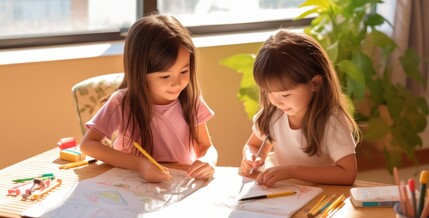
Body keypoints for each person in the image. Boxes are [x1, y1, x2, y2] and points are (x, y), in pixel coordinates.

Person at [80, 14, 218, 183]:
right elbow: (88, 145)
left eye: (184, 71)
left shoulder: (190, 99)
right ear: (141, 73)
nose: (177, 83)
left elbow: (205, 146)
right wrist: (140, 165)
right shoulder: (122, 102)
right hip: (132, 184)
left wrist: (208, 160)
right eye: (165, 76)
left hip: (177, 183)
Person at [240, 29, 361, 187]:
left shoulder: (332, 121)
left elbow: (347, 173)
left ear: (315, 84)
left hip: (321, 200)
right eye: (269, 92)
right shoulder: (273, 113)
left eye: (285, 95)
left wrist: (292, 171)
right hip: (283, 197)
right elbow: (254, 145)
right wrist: (251, 157)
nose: (276, 101)